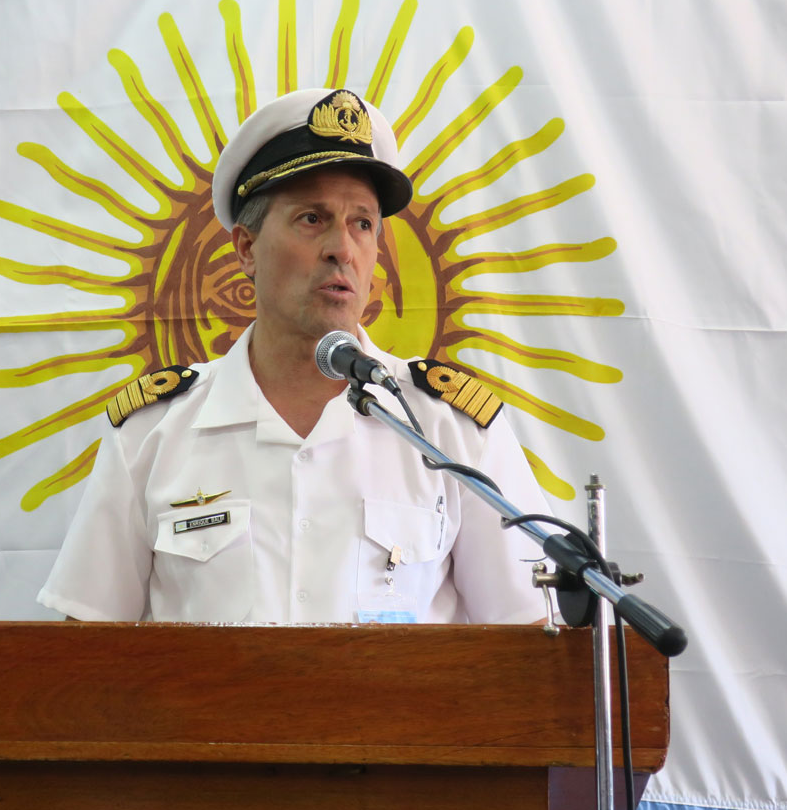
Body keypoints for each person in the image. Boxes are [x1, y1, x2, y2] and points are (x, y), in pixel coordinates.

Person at [38, 88, 549, 624]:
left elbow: (526, 642)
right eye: (312, 218)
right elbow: (88, 647)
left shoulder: (449, 429)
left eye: (362, 223)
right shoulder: (152, 433)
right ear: (245, 249)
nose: (342, 249)